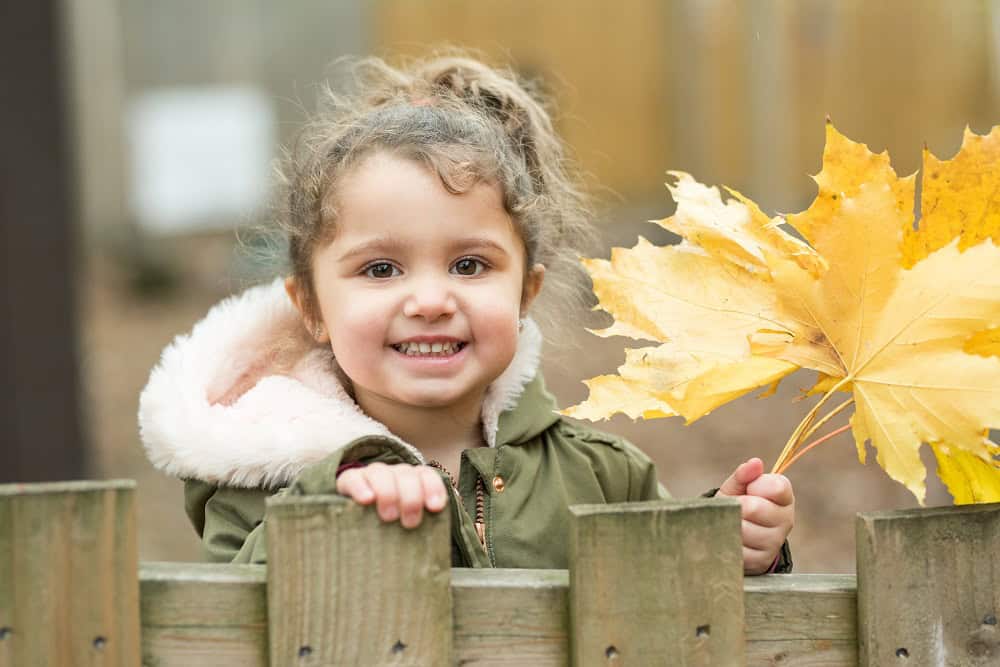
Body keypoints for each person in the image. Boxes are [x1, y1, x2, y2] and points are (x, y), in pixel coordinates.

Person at [139, 54, 793, 573]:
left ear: (526, 291)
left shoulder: (600, 473)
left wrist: (730, 542)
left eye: (469, 265)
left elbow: (673, 608)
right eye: (381, 269)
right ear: (311, 307)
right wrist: (326, 504)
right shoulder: (257, 484)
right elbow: (222, 631)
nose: (429, 300)